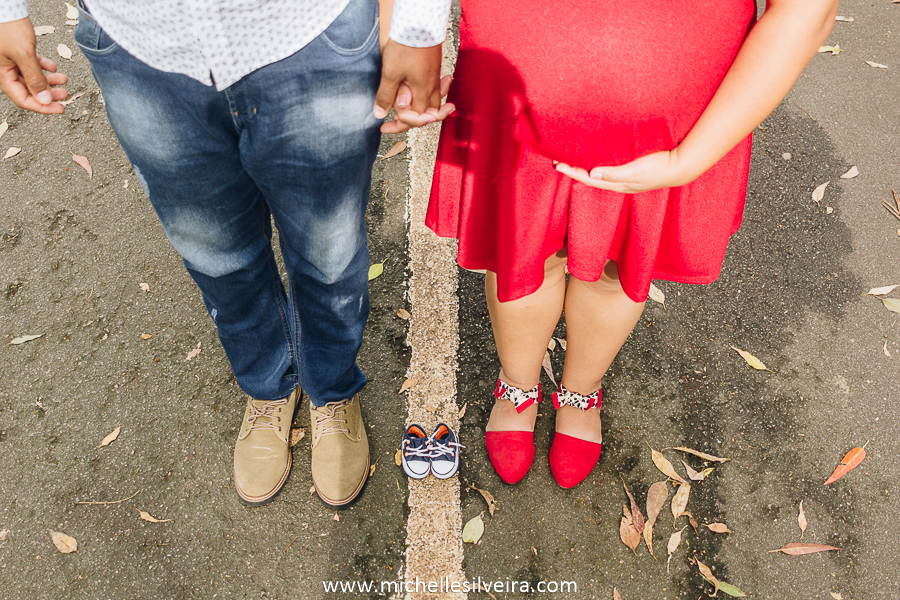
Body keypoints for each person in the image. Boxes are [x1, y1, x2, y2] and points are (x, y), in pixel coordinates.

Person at [0, 0, 453, 507]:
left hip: (309, 31)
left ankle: (331, 388)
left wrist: (417, 22)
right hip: (140, 42)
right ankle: (268, 386)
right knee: (217, 255)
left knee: (329, 253)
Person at [426, 0, 838, 488]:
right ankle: (517, 384)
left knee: (617, 265)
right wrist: (415, 37)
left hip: (668, 130)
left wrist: (687, 161)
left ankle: (581, 390)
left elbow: (807, 10)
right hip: (514, 87)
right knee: (522, 252)